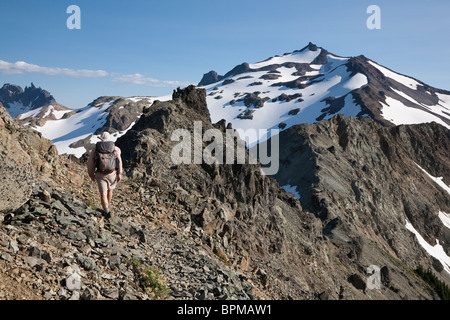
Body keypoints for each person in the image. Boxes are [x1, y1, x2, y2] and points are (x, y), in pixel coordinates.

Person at [87, 132, 123, 218]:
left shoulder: (96, 149)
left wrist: (91, 174)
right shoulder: (116, 149)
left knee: (103, 193)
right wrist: (119, 174)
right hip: (112, 174)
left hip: (100, 174)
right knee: (110, 190)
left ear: (101, 138)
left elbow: (90, 163)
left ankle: (106, 210)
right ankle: (107, 206)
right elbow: (119, 162)